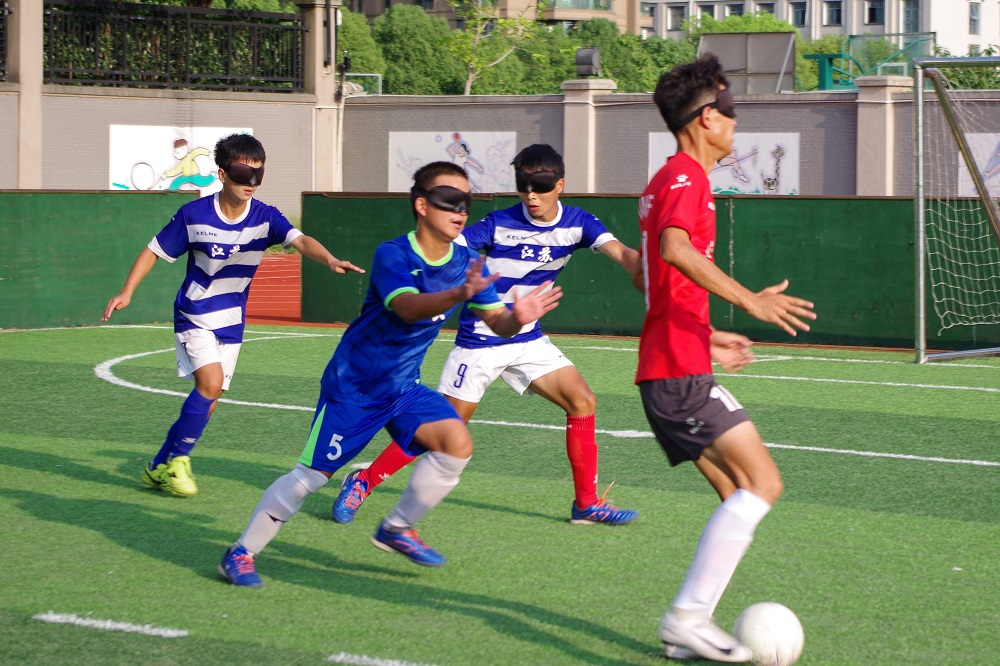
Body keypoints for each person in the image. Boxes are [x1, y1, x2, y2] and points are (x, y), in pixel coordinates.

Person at [218, 161, 563, 586]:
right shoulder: (393, 253)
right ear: (422, 204)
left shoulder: (469, 262)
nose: (460, 211)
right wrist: (460, 293)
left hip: (403, 388)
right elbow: (407, 307)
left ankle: (396, 528)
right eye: (449, 201)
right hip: (355, 388)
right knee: (309, 477)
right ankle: (240, 552)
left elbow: (498, 323)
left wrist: (518, 317)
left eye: (467, 203)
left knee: (456, 443)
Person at [331, 144, 640, 528]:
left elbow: (623, 254)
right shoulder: (496, 224)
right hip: (481, 338)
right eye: (523, 184)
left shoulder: (579, 223)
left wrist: (653, 266)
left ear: (560, 184)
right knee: (442, 430)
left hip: (528, 338)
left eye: (541, 185)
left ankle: (587, 504)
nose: (531, 193)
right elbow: (446, 247)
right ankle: (363, 480)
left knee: (582, 400)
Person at [635, 55, 816, 662]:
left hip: (677, 363)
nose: (737, 121)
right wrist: (750, 304)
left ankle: (687, 626)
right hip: (676, 374)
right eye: (731, 109)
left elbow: (654, 281)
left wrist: (706, 336)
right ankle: (687, 617)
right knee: (763, 481)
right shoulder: (687, 179)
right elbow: (675, 249)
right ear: (707, 117)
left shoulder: (664, 179)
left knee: (738, 489)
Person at [103, 133, 364, 498]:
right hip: (194, 313)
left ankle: (157, 467)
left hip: (232, 321)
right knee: (208, 386)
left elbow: (301, 241)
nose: (252, 183)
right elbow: (153, 250)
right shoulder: (194, 215)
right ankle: (178, 461)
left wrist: (331, 259)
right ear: (223, 173)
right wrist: (127, 291)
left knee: (208, 401)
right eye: (244, 173)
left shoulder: (266, 217)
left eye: (259, 173)